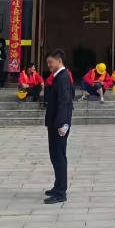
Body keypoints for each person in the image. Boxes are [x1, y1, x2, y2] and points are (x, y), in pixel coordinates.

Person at [44, 48, 73, 204]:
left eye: (50, 62)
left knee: (59, 156)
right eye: (47, 62)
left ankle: (61, 192)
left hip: (59, 124)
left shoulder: (63, 77)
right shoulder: (58, 76)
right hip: (54, 122)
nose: (48, 65)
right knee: (54, 155)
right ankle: (57, 186)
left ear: (59, 61)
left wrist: (63, 124)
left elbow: (64, 101)